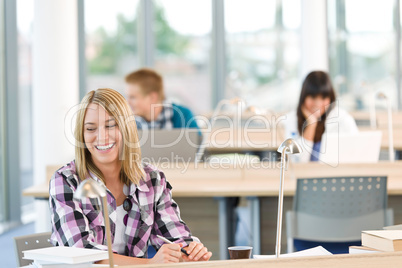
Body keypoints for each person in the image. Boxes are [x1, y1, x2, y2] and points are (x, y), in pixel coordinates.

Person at [49, 88, 212, 265]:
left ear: (127, 128)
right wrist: (149, 264)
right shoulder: (65, 180)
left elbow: (174, 236)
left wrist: (187, 250)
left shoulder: (152, 179)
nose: (101, 136)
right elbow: (81, 255)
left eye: (111, 125)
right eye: (90, 128)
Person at [282, 71, 358, 162]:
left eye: (323, 98)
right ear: (303, 97)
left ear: (331, 98)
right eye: (313, 97)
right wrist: (311, 124)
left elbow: (356, 154)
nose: (318, 104)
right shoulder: (291, 120)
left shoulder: (343, 119)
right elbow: (298, 163)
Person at [125, 68, 199, 130]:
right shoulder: (129, 123)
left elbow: (197, 145)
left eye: (133, 97)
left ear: (152, 97)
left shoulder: (182, 115)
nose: (128, 102)